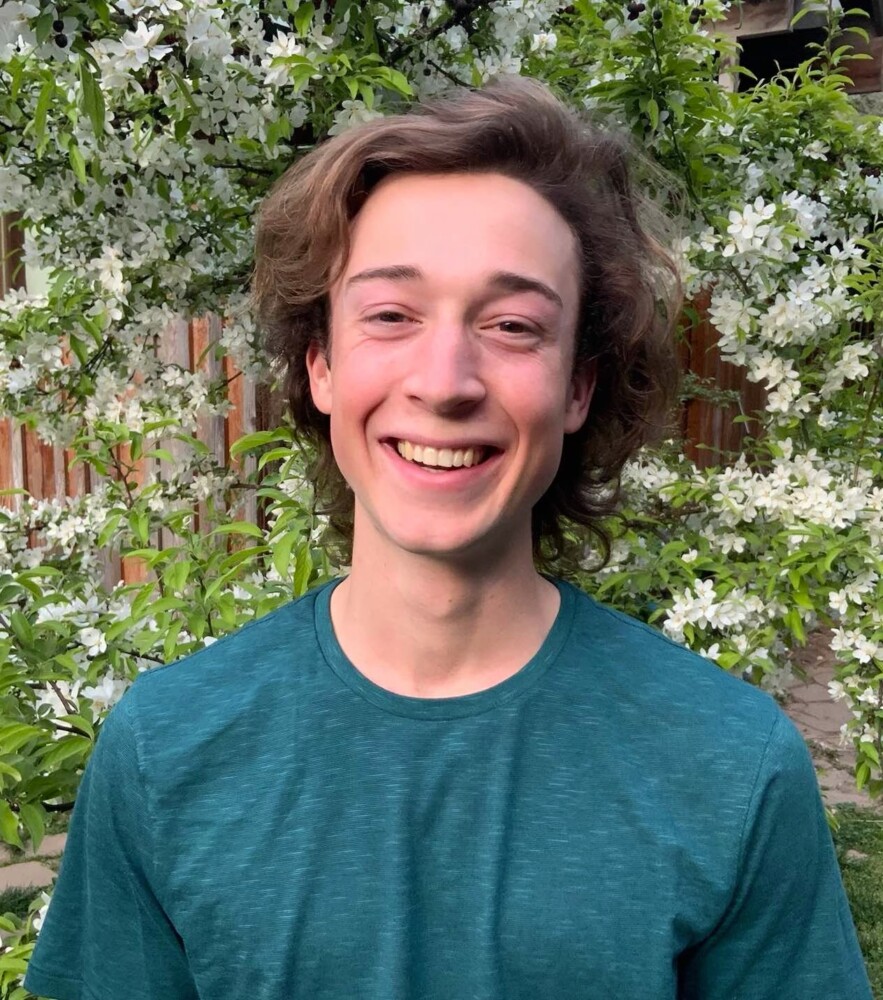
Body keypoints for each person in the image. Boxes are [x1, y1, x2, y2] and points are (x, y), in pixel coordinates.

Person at [25, 78, 871, 1000]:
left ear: (577, 387)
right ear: (320, 364)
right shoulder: (164, 750)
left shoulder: (731, 765)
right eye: (391, 315)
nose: (444, 380)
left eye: (512, 326)